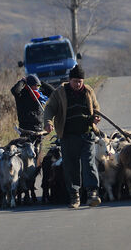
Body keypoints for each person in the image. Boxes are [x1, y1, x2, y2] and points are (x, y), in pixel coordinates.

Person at [43, 64, 102, 209]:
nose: (77, 84)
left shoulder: (88, 91)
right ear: (70, 80)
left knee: (89, 164)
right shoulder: (60, 93)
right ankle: (74, 196)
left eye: (80, 81)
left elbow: (96, 107)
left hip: (86, 134)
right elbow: (50, 108)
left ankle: (92, 194)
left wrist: (95, 117)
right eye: (75, 81)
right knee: (71, 166)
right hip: (68, 136)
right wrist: (48, 122)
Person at [11, 74, 54, 156]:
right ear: (29, 86)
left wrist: (40, 82)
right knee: (27, 154)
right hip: (26, 129)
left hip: (39, 128)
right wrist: (22, 81)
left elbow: (53, 92)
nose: (37, 88)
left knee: (38, 153)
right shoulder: (22, 94)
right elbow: (14, 91)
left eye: (38, 86)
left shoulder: (39, 94)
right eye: (34, 86)